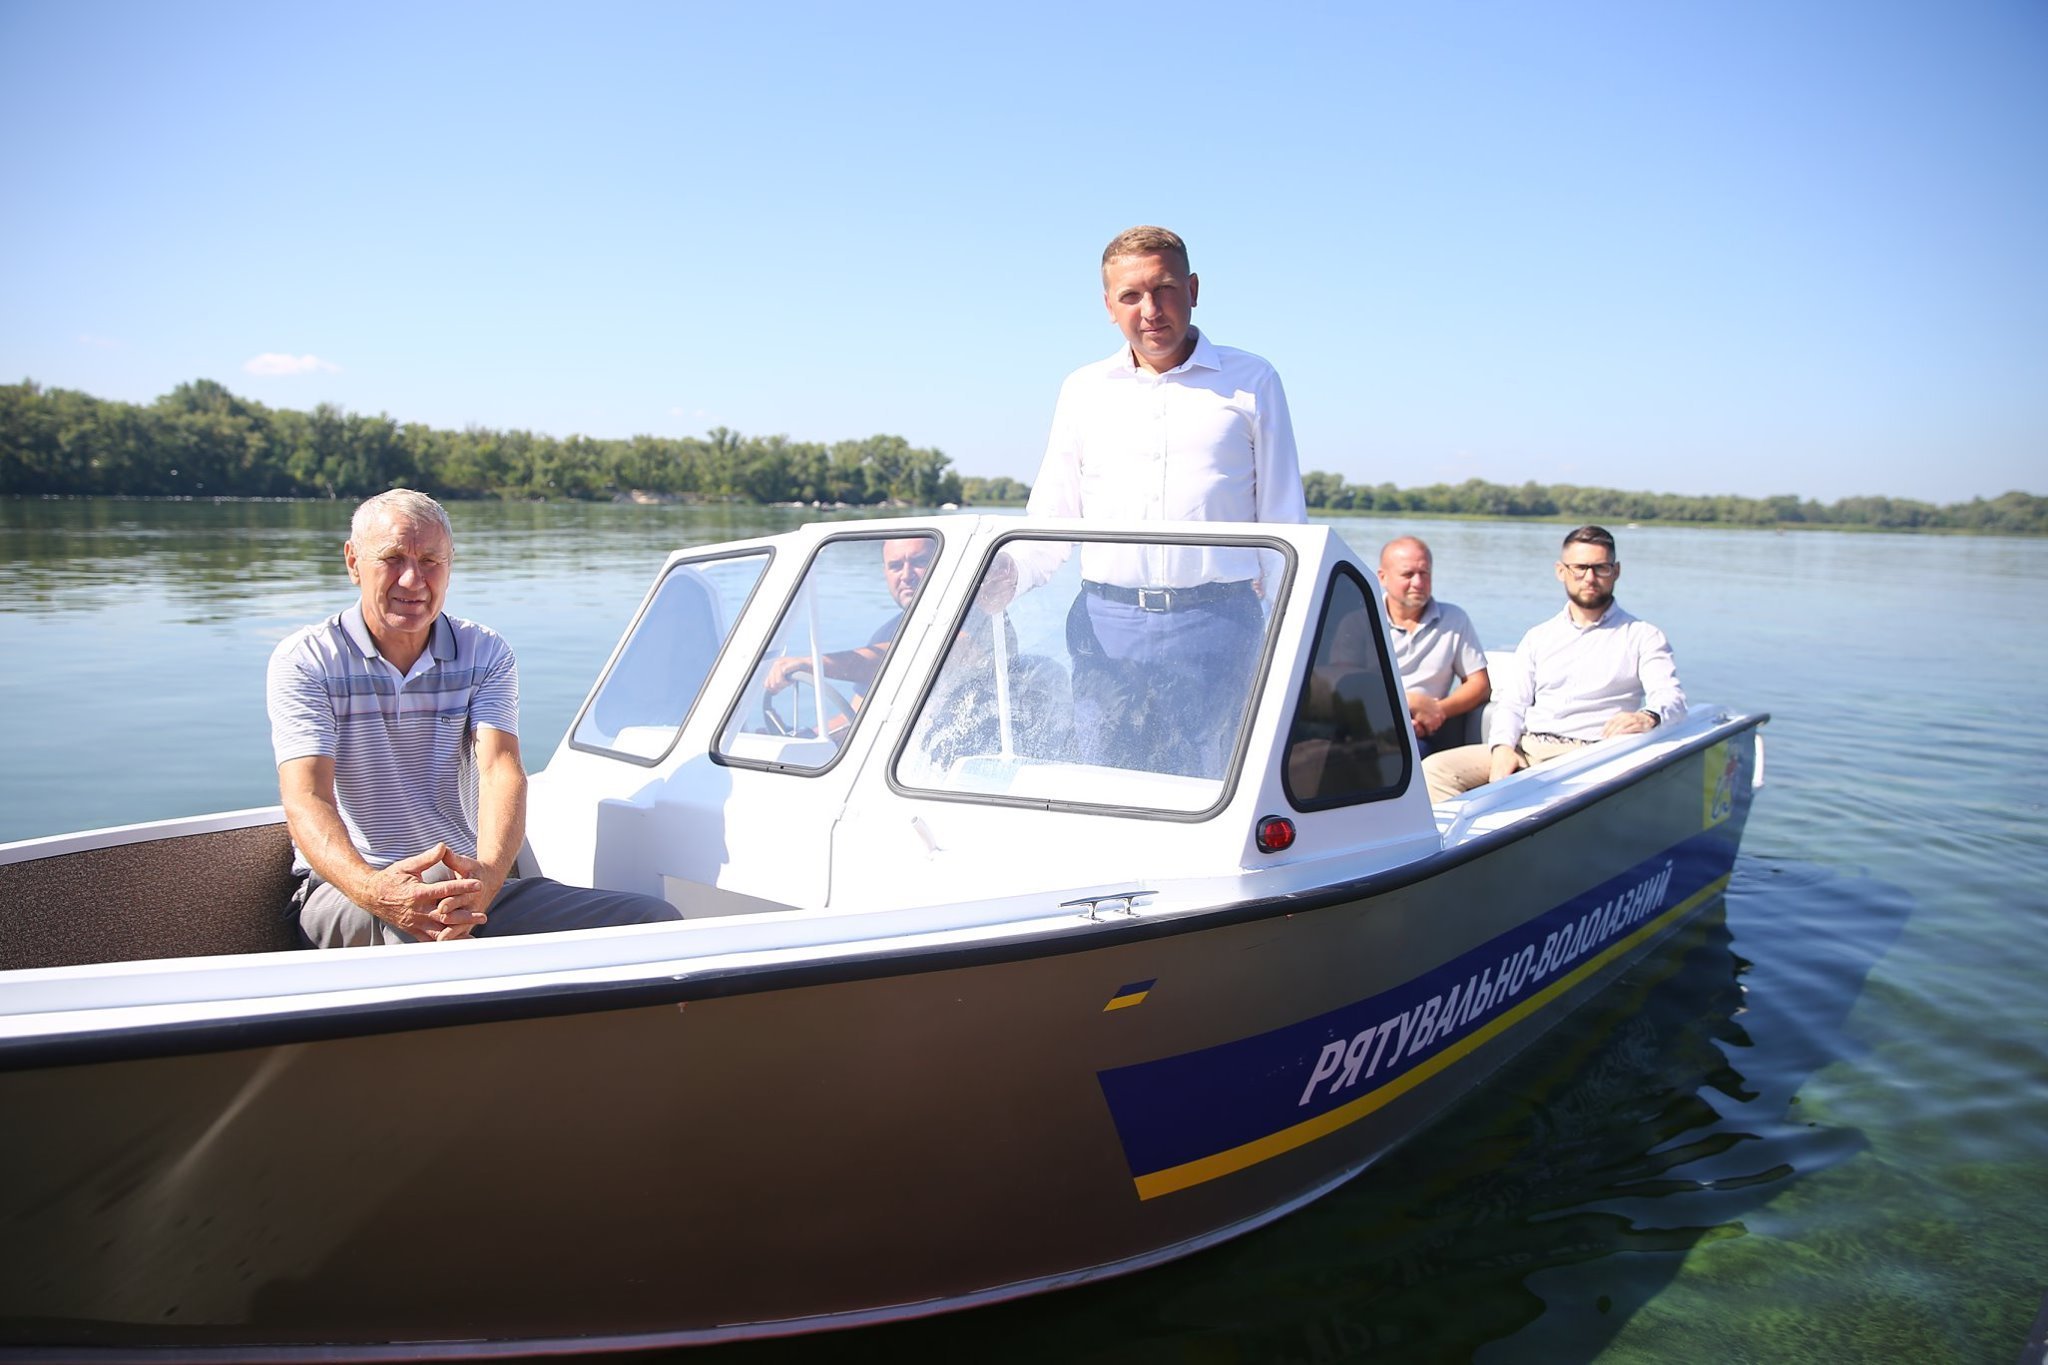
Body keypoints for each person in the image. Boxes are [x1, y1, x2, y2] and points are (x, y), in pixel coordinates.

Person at [267, 489, 682, 946]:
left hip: (464, 886)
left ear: (450, 565)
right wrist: (375, 890)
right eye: (392, 559)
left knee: (654, 922)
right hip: (349, 890)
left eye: (430, 561)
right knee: (427, 934)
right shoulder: (307, 660)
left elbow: (500, 769)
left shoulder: (484, 652)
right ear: (353, 562)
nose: (413, 579)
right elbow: (306, 797)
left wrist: (487, 877)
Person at [985, 225, 1307, 774]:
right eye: (1131, 295)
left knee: (1213, 783)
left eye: (1164, 289)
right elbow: (1052, 516)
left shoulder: (1254, 381)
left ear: (1193, 289)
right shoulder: (1083, 389)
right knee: (1104, 782)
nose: (1151, 310)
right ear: (1109, 306)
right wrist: (1008, 575)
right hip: (1104, 625)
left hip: (1220, 628)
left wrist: (1295, 631)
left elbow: (1285, 522)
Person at [1422, 525, 1684, 803]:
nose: (1590, 578)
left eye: (1601, 568)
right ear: (1561, 571)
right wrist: (1501, 747)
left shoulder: (1643, 636)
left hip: (1594, 755)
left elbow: (1671, 697)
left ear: (1616, 571)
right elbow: (1513, 703)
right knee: (1434, 771)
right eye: (1580, 568)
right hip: (1530, 747)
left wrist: (1647, 716)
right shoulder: (1539, 637)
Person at [765, 536, 934, 709]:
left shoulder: (952, 625)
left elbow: (910, 654)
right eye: (896, 566)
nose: (906, 575)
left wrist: (810, 664)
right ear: (885, 572)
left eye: (920, 562)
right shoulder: (887, 633)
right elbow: (856, 714)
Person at [1376, 535, 1490, 757]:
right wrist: (1407, 702)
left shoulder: (1454, 619)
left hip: (1420, 736)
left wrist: (1437, 711)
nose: (1418, 583)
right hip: (1369, 723)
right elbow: (1344, 681)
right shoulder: (1361, 616)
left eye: (1424, 573)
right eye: (1408, 574)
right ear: (1383, 577)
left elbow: (1479, 685)